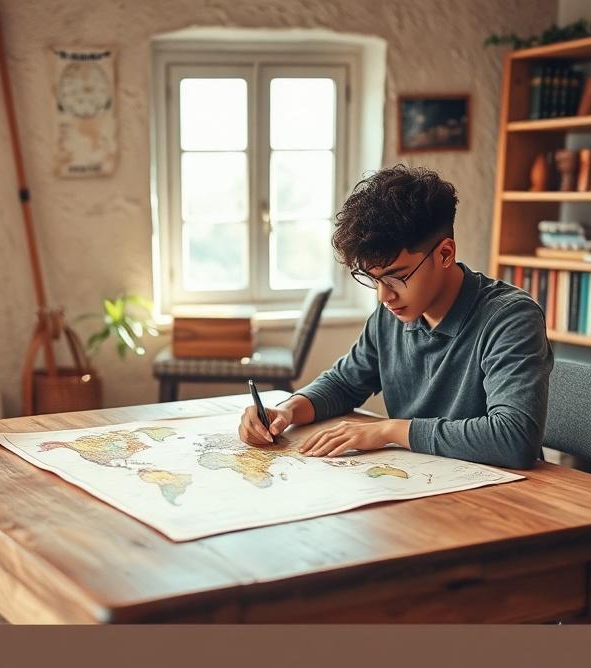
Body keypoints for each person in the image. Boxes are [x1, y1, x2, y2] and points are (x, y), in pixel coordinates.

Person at [237, 164, 553, 469]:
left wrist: (389, 431)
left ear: (445, 254)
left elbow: (514, 438)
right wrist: (287, 410)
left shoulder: (510, 318)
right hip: (422, 488)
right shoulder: (392, 314)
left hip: (504, 500)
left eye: (396, 277)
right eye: (373, 280)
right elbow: (344, 384)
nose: (384, 296)